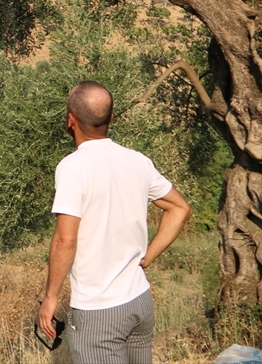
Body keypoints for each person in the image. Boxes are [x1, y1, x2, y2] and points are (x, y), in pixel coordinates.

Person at [38, 81, 192, 363]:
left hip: (98, 309)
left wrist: (51, 297)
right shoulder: (137, 161)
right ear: (110, 118)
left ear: (70, 120)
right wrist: (148, 256)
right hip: (140, 301)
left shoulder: (72, 167)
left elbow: (65, 240)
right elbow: (179, 208)